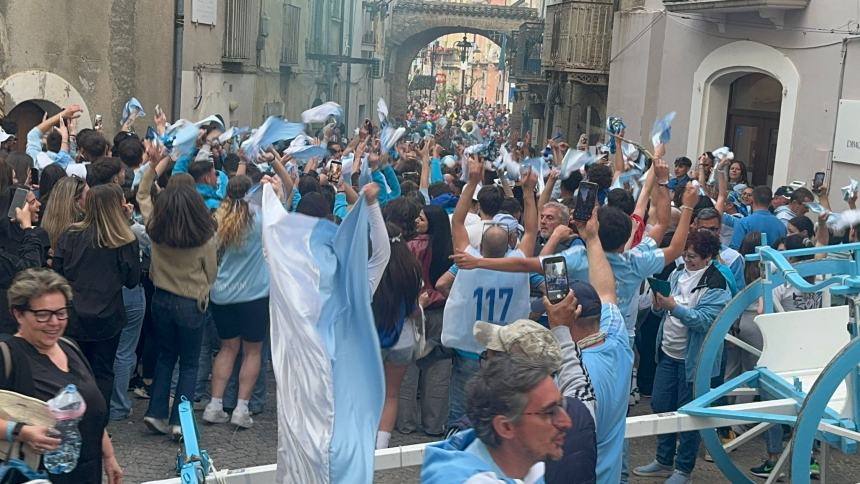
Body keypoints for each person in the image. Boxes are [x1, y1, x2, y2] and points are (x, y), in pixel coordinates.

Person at [0, 268, 122, 483]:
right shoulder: (7, 355)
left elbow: (90, 412)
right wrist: (21, 431)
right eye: (43, 314)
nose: (55, 322)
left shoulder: (69, 347)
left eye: (61, 312)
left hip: (87, 473)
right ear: (18, 314)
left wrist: (109, 456)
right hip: (35, 475)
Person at [442, 156, 534, 430]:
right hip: (503, 352)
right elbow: (531, 229)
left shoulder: (467, 260)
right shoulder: (518, 263)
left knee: (460, 410)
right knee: (498, 413)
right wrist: (528, 193)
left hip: (469, 351)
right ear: (509, 245)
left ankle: (457, 446)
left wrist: (472, 182)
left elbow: (457, 222)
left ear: (479, 245)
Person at [634, 230, 731, 484]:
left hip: (695, 360)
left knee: (688, 416)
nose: (687, 260)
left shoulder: (717, 284)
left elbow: (707, 322)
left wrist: (673, 307)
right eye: (685, 255)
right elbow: (662, 313)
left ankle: (683, 470)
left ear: (708, 257)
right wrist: (659, 306)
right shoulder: (677, 274)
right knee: (661, 405)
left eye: (693, 257)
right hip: (668, 352)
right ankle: (663, 460)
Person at [140, 172, 217, 438]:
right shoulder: (204, 236)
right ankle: (179, 421)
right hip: (190, 300)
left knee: (165, 356)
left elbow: (141, 194)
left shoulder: (155, 228)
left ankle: (156, 411)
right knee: (190, 363)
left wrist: (153, 165)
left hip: (161, 298)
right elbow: (212, 273)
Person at [473, 318, 597, 484]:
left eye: (490, 358)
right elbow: (578, 380)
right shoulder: (581, 411)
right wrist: (561, 329)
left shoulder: (477, 428)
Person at [52, 184, 141, 406]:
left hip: (74, 313)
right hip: (108, 314)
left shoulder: (70, 234)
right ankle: (98, 424)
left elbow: (57, 272)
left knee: (72, 370)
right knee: (102, 372)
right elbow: (132, 280)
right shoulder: (125, 239)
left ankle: (71, 417)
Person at [421, 354, 571, 483]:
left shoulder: (530, 465)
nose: (566, 422)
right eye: (549, 412)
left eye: (561, 405)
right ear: (505, 427)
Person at [203, 173, 277, 429]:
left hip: (222, 293)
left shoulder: (218, 219)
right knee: (252, 351)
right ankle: (242, 408)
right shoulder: (260, 219)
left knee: (227, 349)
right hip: (254, 294)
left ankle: (215, 404)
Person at [373, 221, 425, 449]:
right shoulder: (411, 269)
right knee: (391, 394)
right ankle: (382, 445)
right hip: (402, 339)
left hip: (372, 341)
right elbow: (413, 310)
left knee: (368, 391)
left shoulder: (370, 269)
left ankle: (363, 437)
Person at [0, 192, 46, 335]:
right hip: (8, 327)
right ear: (17, 210)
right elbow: (30, 271)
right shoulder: (30, 238)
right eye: (32, 202)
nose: (39, 204)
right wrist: (27, 226)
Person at [729, 186, 786, 250]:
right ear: (770, 203)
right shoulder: (781, 225)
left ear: (752, 200)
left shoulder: (743, 223)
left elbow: (734, 251)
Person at [40, 176, 88, 250]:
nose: (93, 199)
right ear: (76, 202)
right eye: (89, 195)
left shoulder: (41, 236)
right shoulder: (83, 236)